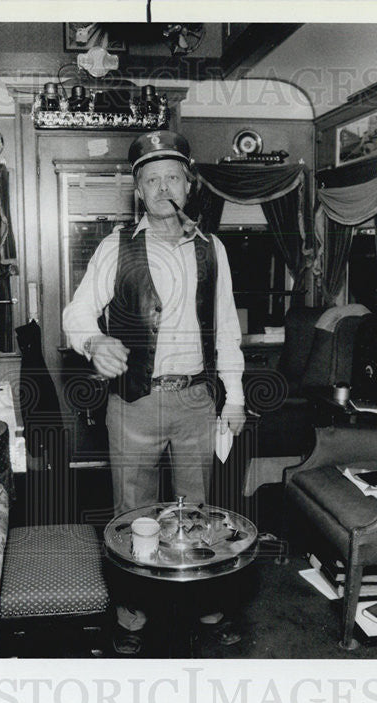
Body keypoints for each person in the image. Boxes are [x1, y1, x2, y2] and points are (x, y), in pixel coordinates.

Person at [62, 130, 246, 654]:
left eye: (173, 176)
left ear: (188, 185)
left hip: (195, 401)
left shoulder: (214, 249)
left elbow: (228, 327)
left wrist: (233, 397)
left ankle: (201, 599)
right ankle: (134, 606)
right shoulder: (114, 246)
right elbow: (75, 312)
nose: (163, 187)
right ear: (138, 192)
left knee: (198, 511)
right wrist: (94, 340)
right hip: (135, 401)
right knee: (133, 510)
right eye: (151, 178)